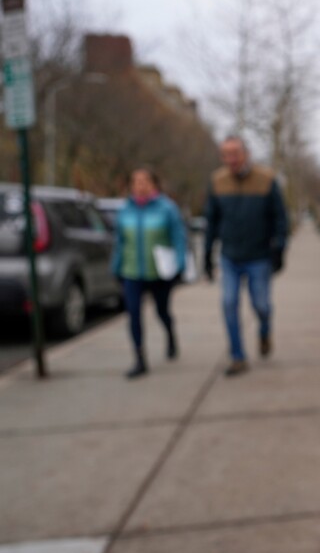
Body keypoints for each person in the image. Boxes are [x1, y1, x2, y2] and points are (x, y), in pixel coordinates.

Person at [204, 135, 288, 376]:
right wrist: (207, 254)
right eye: (226, 154)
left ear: (246, 154)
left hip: (259, 257)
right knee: (229, 304)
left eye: (235, 153)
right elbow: (212, 221)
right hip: (230, 257)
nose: (231, 159)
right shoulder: (217, 181)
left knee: (261, 305)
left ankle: (264, 330)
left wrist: (279, 249)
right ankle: (237, 356)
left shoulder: (266, 179)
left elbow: (280, 218)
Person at [111, 167, 188, 379]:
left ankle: (170, 333)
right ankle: (139, 358)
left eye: (145, 181)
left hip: (159, 271)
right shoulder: (125, 210)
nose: (140, 185)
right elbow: (119, 242)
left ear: (154, 184)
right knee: (133, 313)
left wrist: (180, 264)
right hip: (131, 271)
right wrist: (116, 267)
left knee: (161, 311)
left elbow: (178, 237)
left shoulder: (167, 208)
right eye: (136, 181)